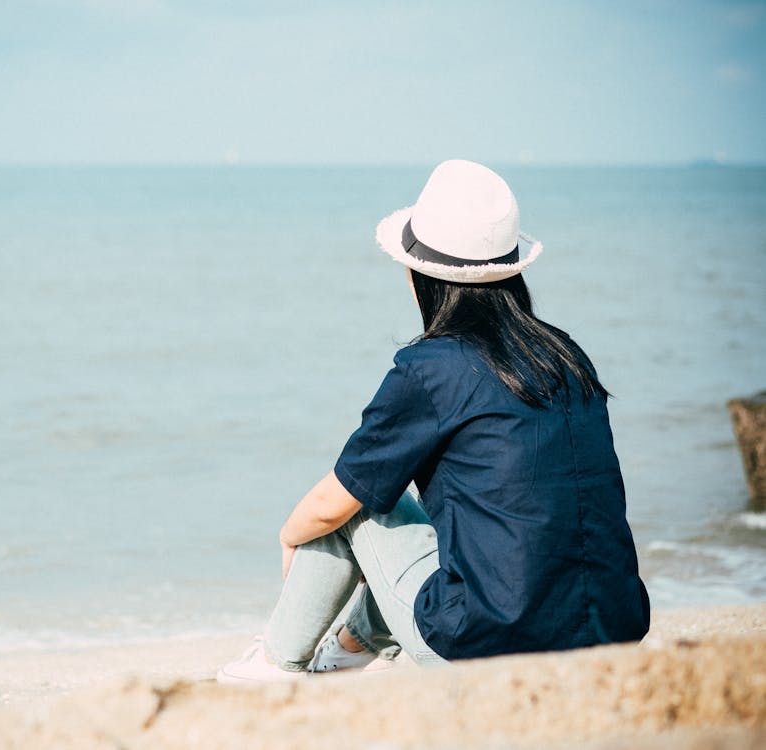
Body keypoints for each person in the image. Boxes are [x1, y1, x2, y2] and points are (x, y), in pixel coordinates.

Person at [218, 159, 650, 682]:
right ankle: (351, 644)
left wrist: (289, 537)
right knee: (459, 505)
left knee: (361, 498)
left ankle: (275, 662)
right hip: (611, 632)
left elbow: (335, 502)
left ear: (418, 273)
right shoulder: (565, 354)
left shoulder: (432, 368)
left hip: (488, 645)